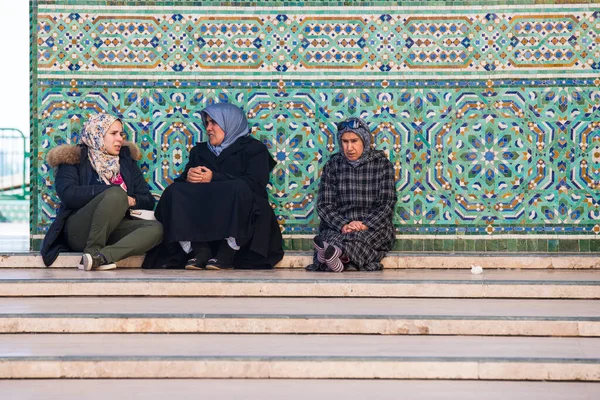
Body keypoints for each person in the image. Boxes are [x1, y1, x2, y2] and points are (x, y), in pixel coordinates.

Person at [143, 103, 283, 270]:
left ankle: (228, 251)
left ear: (230, 124)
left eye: (213, 123)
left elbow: (256, 184)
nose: (208, 128)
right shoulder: (200, 151)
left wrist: (214, 177)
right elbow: (184, 186)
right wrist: (188, 176)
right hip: (205, 214)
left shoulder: (253, 149)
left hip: (241, 217)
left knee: (239, 188)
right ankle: (199, 250)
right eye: (207, 123)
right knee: (173, 192)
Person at [41, 114, 163, 270]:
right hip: (80, 230)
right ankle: (92, 250)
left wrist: (131, 200)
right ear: (97, 134)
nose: (119, 138)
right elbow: (68, 195)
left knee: (157, 229)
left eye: (121, 134)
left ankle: (102, 258)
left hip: (113, 229)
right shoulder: (75, 159)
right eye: (113, 133)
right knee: (116, 194)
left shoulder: (125, 161)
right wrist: (111, 192)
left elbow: (147, 199)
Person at [306, 117, 397, 272]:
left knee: (361, 238)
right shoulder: (333, 165)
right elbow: (324, 205)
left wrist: (364, 224)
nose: (349, 147)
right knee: (331, 237)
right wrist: (344, 225)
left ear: (365, 140)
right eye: (345, 141)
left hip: (373, 227)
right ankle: (337, 257)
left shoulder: (382, 165)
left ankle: (330, 256)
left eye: (354, 141)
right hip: (339, 227)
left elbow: (386, 204)